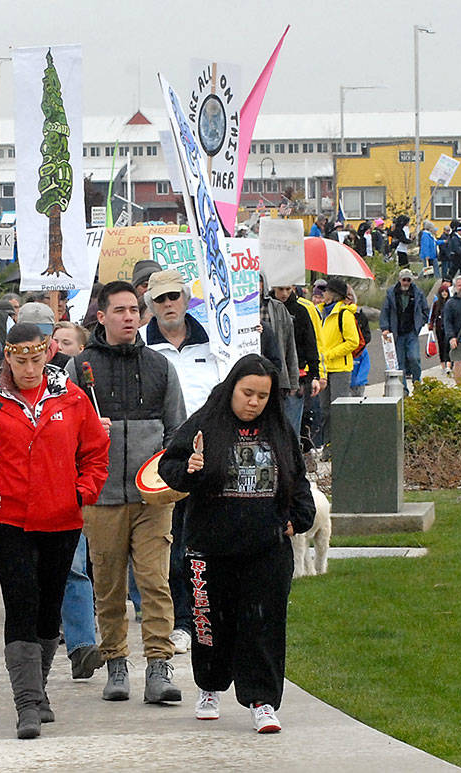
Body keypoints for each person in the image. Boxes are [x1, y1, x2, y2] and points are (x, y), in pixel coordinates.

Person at [0, 322, 109, 738]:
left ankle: (38, 691)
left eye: (36, 359)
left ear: (48, 355)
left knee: (49, 605)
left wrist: (83, 491)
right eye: (20, 360)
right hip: (7, 520)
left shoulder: (72, 398)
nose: (29, 368)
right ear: (7, 357)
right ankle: (25, 703)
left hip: (62, 518)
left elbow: (95, 451)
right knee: (22, 599)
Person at [157, 354, 314, 734]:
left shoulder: (280, 429)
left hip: (267, 549)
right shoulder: (205, 423)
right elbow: (169, 468)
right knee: (211, 623)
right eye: (247, 393)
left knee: (263, 625)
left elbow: (298, 482)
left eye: (262, 396)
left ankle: (262, 701)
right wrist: (189, 469)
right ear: (231, 389)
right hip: (210, 549)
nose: (254, 402)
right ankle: (210, 686)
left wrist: (297, 519)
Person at [66, 281, 186, 704]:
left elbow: (177, 430)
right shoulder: (80, 368)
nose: (129, 317)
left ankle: (159, 665)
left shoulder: (160, 366)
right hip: (101, 497)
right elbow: (63, 434)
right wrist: (86, 434)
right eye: (119, 310)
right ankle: (116, 663)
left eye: (134, 309)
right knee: (109, 585)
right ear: (101, 317)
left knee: (155, 582)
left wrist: (167, 475)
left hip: (151, 496)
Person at [142, 269, 222, 657]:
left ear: (186, 298)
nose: (168, 304)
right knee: (171, 544)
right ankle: (180, 621)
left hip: (211, 456)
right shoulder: (143, 345)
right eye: (160, 299)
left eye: (174, 296)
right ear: (150, 305)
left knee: (207, 540)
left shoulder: (215, 340)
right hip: (163, 458)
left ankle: (209, 616)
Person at [270, 285, 321, 438]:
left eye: (287, 289)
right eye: (281, 289)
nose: (284, 294)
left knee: (292, 426)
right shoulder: (267, 309)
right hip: (273, 372)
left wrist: (314, 375)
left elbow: (311, 343)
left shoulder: (301, 311)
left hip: (296, 372)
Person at [316, 277, 361, 449]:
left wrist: (329, 354)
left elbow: (353, 341)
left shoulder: (344, 314)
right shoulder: (319, 312)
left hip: (340, 368)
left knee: (339, 410)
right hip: (323, 368)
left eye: (326, 291)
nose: (323, 294)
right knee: (325, 410)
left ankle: (342, 447)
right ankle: (329, 446)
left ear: (334, 295)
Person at [379, 269, 430, 393]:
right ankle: (404, 390)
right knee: (399, 362)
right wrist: (385, 328)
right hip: (397, 333)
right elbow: (385, 311)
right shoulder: (391, 293)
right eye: (404, 280)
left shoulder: (417, 293)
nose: (406, 282)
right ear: (399, 280)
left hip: (412, 332)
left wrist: (420, 322)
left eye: (408, 280)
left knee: (414, 358)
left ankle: (417, 383)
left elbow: (425, 310)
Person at [428, 281, 453, 369]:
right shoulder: (436, 303)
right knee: (441, 345)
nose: (444, 293)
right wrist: (431, 325)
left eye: (446, 291)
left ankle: (449, 364)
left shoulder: (451, 302)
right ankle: (443, 364)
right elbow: (432, 316)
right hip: (439, 327)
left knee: (448, 345)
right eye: (442, 292)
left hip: (449, 327)